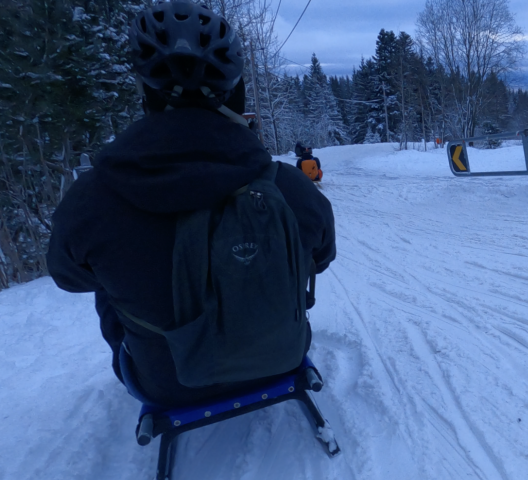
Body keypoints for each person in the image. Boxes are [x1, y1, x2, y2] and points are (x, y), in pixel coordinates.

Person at [46, 1, 336, 408]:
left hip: (165, 384)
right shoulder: (292, 187)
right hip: (282, 360)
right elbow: (320, 259)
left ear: (146, 95)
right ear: (236, 95)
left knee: (106, 285)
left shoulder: (91, 200)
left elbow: (69, 278)